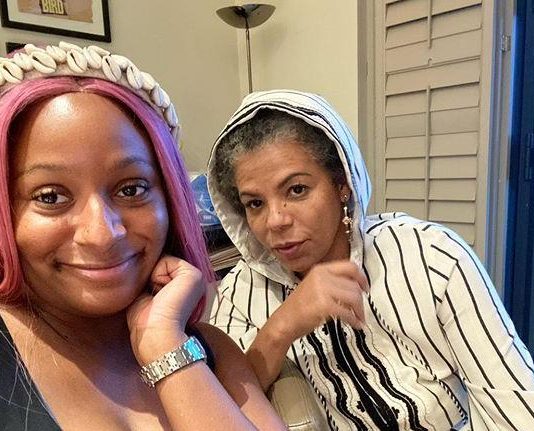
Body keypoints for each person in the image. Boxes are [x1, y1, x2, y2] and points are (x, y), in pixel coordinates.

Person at [208, 89, 534, 430]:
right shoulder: (240, 294)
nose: (275, 220)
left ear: (342, 184)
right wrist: (280, 328)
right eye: (255, 203)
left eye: (297, 189)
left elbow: (513, 404)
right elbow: (220, 413)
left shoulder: (431, 256)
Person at [0, 41, 286, 430]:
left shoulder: (213, 352)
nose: (102, 234)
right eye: (51, 197)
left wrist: (165, 347)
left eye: (131, 189)